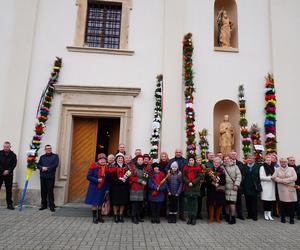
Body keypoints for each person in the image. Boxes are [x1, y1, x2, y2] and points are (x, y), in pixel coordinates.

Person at [85, 153, 110, 223]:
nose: (102, 161)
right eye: (101, 159)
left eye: (104, 159)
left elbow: (108, 180)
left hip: (103, 188)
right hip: (94, 188)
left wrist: (107, 189)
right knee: (94, 203)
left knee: (100, 203)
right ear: (98, 160)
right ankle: (94, 218)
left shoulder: (107, 168)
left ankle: (99, 217)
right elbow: (88, 176)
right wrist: (97, 180)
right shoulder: (93, 166)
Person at [272, 158, 298, 224]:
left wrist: (286, 181)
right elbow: (273, 177)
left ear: (287, 163)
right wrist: (282, 181)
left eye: (285, 162)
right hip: (282, 189)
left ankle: (291, 219)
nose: (283, 163)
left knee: (291, 205)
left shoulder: (291, 169)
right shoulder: (277, 169)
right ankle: (283, 218)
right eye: (282, 162)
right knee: (283, 205)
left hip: (290, 188)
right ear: (280, 163)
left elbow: (295, 177)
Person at [37, 145, 59, 212]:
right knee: (43, 191)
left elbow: (55, 165)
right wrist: (42, 168)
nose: (48, 150)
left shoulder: (55, 156)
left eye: (49, 148)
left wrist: (47, 168)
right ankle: (44, 205)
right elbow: (38, 165)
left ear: (51, 149)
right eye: (47, 149)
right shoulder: (42, 157)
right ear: (45, 149)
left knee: (50, 192)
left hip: (50, 176)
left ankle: (51, 206)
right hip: (43, 176)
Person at [167, 149, 187, 221]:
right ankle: (171, 215)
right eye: (177, 152)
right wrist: (168, 171)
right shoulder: (171, 160)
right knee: (172, 202)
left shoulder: (185, 161)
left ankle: (181, 215)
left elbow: (187, 170)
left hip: (181, 182)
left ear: (181, 153)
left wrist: (181, 173)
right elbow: (167, 168)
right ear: (175, 153)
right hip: (172, 182)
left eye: (179, 152)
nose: (178, 153)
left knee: (181, 200)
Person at [109, 153, 129, 223]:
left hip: (124, 187)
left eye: (121, 158)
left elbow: (128, 175)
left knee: (122, 202)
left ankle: (121, 215)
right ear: (116, 159)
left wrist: (124, 180)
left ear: (123, 159)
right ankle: (115, 215)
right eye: (119, 158)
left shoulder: (126, 167)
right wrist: (118, 181)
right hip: (115, 187)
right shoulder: (113, 166)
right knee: (115, 202)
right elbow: (111, 177)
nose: (120, 159)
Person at [183, 156, 203, 225]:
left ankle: (194, 218)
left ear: (194, 161)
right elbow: (184, 176)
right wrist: (188, 182)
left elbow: (200, 176)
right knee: (189, 204)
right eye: (190, 160)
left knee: (194, 203)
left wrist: (193, 182)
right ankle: (189, 217)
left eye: (192, 160)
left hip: (195, 187)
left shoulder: (198, 167)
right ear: (188, 161)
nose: (191, 161)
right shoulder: (185, 167)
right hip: (188, 187)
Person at [205, 157, 226, 224]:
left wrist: (218, 182)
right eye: (215, 162)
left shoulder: (222, 170)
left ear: (220, 163)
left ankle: (217, 218)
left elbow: (224, 181)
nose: (216, 163)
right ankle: (211, 218)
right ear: (213, 163)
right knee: (211, 204)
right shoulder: (210, 170)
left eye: (218, 162)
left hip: (219, 190)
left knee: (218, 204)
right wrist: (212, 182)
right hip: (211, 189)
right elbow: (207, 179)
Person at [128, 155, 147, 224]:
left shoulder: (144, 169)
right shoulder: (132, 168)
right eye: (139, 160)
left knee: (139, 204)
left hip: (141, 188)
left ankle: (138, 216)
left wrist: (145, 181)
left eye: (141, 160)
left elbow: (146, 176)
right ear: (137, 160)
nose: (140, 161)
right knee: (135, 204)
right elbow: (130, 177)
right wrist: (140, 181)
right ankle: (133, 217)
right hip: (135, 188)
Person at [223, 155, 241, 224]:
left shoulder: (235, 166)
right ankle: (227, 216)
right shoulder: (222, 167)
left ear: (230, 160)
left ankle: (233, 218)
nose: (226, 160)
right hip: (225, 188)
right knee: (226, 203)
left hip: (233, 188)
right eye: (225, 159)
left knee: (232, 203)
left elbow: (239, 176)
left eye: (227, 159)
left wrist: (236, 184)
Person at [242, 155, 260, 221]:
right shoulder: (244, 166)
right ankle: (249, 215)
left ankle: (254, 215)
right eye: (249, 158)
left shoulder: (257, 166)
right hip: (246, 186)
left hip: (254, 187)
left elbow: (259, 176)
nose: (250, 159)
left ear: (254, 159)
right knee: (248, 202)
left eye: (251, 158)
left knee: (254, 202)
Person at [0, 141, 17, 210]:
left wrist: (8, 171)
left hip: (9, 174)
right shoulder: (0, 153)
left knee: (9, 190)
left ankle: (9, 204)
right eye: (4, 147)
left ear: (10, 147)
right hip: (0, 173)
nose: (6, 148)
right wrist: (3, 170)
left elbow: (14, 164)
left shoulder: (13, 155)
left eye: (7, 147)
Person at [229, 151, 245, 220]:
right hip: (229, 185)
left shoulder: (240, 164)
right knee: (230, 201)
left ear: (236, 155)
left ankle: (240, 214)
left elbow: (243, 175)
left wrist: (238, 183)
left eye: (235, 154)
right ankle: (230, 214)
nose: (233, 155)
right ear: (230, 155)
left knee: (239, 201)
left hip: (238, 185)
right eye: (232, 154)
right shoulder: (227, 163)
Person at [260, 155, 276, 221]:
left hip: (272, 186)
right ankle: (265, 213)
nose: (268, 161)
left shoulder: (274, 167)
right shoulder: (262, 167)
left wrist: (275, 178)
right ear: (265, 161)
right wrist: (270, 178)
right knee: (266, 201)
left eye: (269, 160)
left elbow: (276, 175)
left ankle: (269, 214)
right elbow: (261, 177)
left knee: (270, 201)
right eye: (267, 160)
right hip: (265, 186)